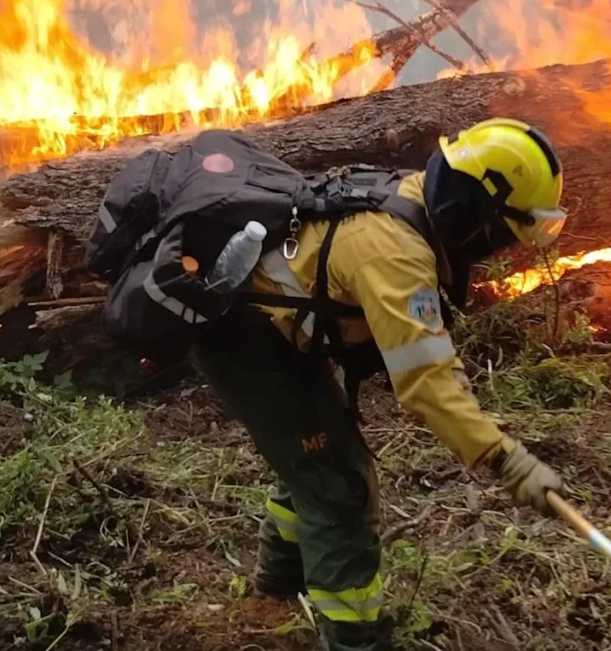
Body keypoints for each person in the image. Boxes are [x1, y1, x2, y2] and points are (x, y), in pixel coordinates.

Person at [192, 117, 568, 651]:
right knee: (340, 489)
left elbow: (428, 355)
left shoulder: (415, 204)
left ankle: (275, 590)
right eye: (505, 233)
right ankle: (354, 640)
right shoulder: (395, 252)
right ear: (476, 212)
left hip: (278, 337)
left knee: (319, 462)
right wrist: (507, 460)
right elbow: (424, 385)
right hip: (246, 344)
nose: (502, 249)